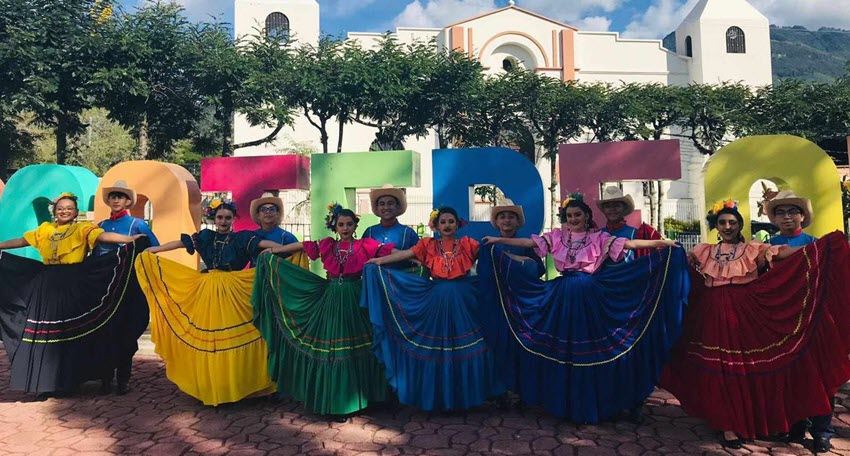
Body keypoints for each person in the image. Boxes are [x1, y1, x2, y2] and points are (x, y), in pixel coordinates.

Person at [660, 200, 850, 449]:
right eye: (722, 222)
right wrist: (664, 248)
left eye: (733, 222)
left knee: (742, 368)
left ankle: (753, 421)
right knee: (719, 369)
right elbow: (680, 263)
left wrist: (819, 246)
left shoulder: (753, 248)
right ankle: (727, 425)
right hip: (711, 312)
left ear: (740, 225)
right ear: (716, 226)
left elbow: (781, 253)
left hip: (744, 312)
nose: (728, 226)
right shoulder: (704, 250)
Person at [481, 194, 687, 424]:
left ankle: (596, 400)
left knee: (591, 346)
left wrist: (663, 244)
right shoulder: (558, 236)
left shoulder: (599, 237)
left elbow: (630, 244)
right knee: (562, 346)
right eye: (569, 216)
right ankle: (561, 400)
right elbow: (529, 243)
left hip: (590, 293)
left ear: (587, 216)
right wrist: (498, 240)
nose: (573, 219)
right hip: (562, 294)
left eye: (577, 214)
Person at [134, 198, 287, 406]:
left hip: (234, 289)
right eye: (220, 217)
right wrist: (154, 250)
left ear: (233, 219)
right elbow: (181, 243)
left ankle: (241, 384)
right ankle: (214, 385)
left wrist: (281, 249)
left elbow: (264, 244)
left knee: (239, 335)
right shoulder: (206, 237)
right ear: (214, 219)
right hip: (208, 289)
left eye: (227, 218)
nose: (223, 221)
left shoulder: (242, 238)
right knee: (211, 339)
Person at [252, 204, 392, 421]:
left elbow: (389, 252)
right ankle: (337, 404)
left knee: (361, 344)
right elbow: (302, 245)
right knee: (334, 347)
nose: (345, 228)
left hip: (357, 297)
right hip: (333, 296)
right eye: (341, 224)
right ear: (335, 227)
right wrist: (274, 251)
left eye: (349, 224)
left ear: (355, 226)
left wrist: (414, 256)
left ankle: (366, 397)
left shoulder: (365, 244)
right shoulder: (328, 245)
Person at [0, 192, 148, 396]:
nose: (64, 211)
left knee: (71, 333)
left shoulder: (82, 229)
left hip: (74, 283)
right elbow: (21, 241)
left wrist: (129, 239)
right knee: (49, 335)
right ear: (55, 211)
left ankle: (73, 380)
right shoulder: (45, 230)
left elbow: (103, 236)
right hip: (47, 284)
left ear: (76, 212)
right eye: (61, 208)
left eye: (69, 208)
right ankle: (48, 383)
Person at [362, 207, 506, 411]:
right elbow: (404, 254)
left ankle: (475, 394)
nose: (447, 225)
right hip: (437, 298)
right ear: (436, 226)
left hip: (463, 299)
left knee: (475, 344)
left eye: (451, 221)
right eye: (443, 222)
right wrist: (378, 261)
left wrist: (512, 255)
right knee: (437, 348)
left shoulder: (468, 244)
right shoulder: (428, 245)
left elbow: (491, 255)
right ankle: (439, 397)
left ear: (457, 225)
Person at [764, 191, 833, 453]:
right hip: (781, 320)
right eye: (780, 212)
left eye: (792, 211)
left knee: (819, 376)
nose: (787, 217)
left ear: (802, 216)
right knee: (787, 374)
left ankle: (822, 431)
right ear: (774, 219)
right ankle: (794, 425)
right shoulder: (765, 246)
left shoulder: (816, 245)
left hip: (812, 318)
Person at [94, 180, 160, 395]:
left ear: (127, 201)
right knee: (104, 332)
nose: (116, 200)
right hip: (105, 288)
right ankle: (105, 379)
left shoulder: (138, 225)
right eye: (113, 196)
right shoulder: (101, 225)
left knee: (126, 331)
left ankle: (123, 379)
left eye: (120, 197)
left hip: (128, 288)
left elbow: (154, 248)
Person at [362, 184, 421, 272]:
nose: (386, 207)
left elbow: (419, 258)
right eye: (382, 204)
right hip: (375, 280)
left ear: (397, 206)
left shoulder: (408, 233)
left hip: (401, 279)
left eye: (390, 203)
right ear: (377, 208)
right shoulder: (370, 232)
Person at [598, 186, 661, 261]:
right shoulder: (598, 235)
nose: (612, 209)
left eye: (617, 206)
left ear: (624, 208)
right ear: (603, 210)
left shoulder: (636, 234)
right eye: (608, 206)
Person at [248, 195, 307, 268]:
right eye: (263, 209)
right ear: (258, 215)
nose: (268, 212)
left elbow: (298, 259)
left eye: (272, 209)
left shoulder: (287, 237)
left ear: (278, 214)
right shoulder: (252, 236)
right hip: (254, 274)